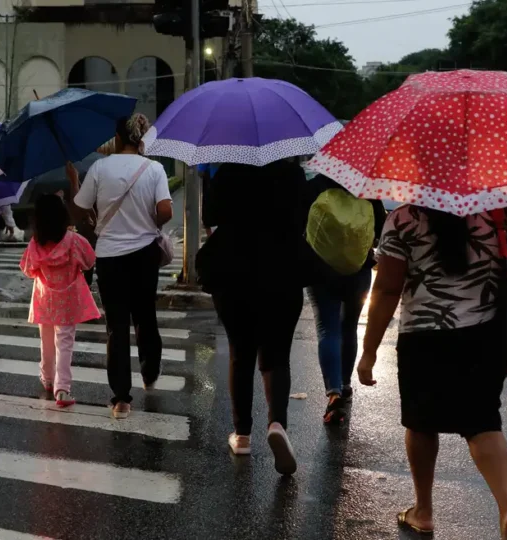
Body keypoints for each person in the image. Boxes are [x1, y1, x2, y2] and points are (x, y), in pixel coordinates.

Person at [359, 205, 507, 540]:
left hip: (424, 336)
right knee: (483, 424)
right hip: (485, 335)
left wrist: (368, 351)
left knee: (421, 424)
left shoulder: (404, 219)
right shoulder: (499, 213)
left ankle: (423, 511)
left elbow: (387, 289)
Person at [197, 159, 311, 475]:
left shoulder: (228, 172)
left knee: (241, 353)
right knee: (277, 357)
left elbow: (211, 218)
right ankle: (277, 424)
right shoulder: (293, 174)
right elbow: (303, 218)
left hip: (234, 272)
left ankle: (243, 435)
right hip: (284, 271)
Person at [72, 113, 173, 419]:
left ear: (117, 138)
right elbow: (166, 210)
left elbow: (80, 206)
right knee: (145, 314)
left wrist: (91, 213)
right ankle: (150, 370)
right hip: (145, 254)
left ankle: (121, 399)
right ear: (140, 139)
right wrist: (149, 223)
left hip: (110, 257)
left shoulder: (101, 167)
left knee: (116, 326)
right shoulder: (154, 168)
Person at [305, 174, 385, 425]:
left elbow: (301, 225)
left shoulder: (315, 185)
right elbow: (380, 229)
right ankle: (346, 383)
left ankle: (333, 392)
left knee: (327, 328)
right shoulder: (367, 185)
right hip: (358, 270)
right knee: (349, 326)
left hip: (320, 269)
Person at [20, 194, 99, 407]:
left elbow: (27, 269)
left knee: (46, 340)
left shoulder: (36, 243)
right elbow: (90, 261)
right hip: (67, 299)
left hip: (44, 298)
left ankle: (47, 378)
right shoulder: (74, 241)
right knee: (64, 342)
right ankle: (62, 388)